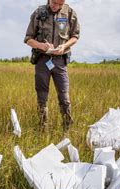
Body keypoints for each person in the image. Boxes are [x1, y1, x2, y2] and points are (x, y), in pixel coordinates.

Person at [24, 0, 80, 132]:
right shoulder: (38, 13)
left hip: (60, 61)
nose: (57, 7)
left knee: (64, 96)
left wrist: (64, 46)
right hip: (42, 61)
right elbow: (28, 38)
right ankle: (43, 128)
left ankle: (67, 128)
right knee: (42, 97)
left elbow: (75, 36)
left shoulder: (70, 13)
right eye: (54, 3)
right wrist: (40, 45)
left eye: (61, 4)